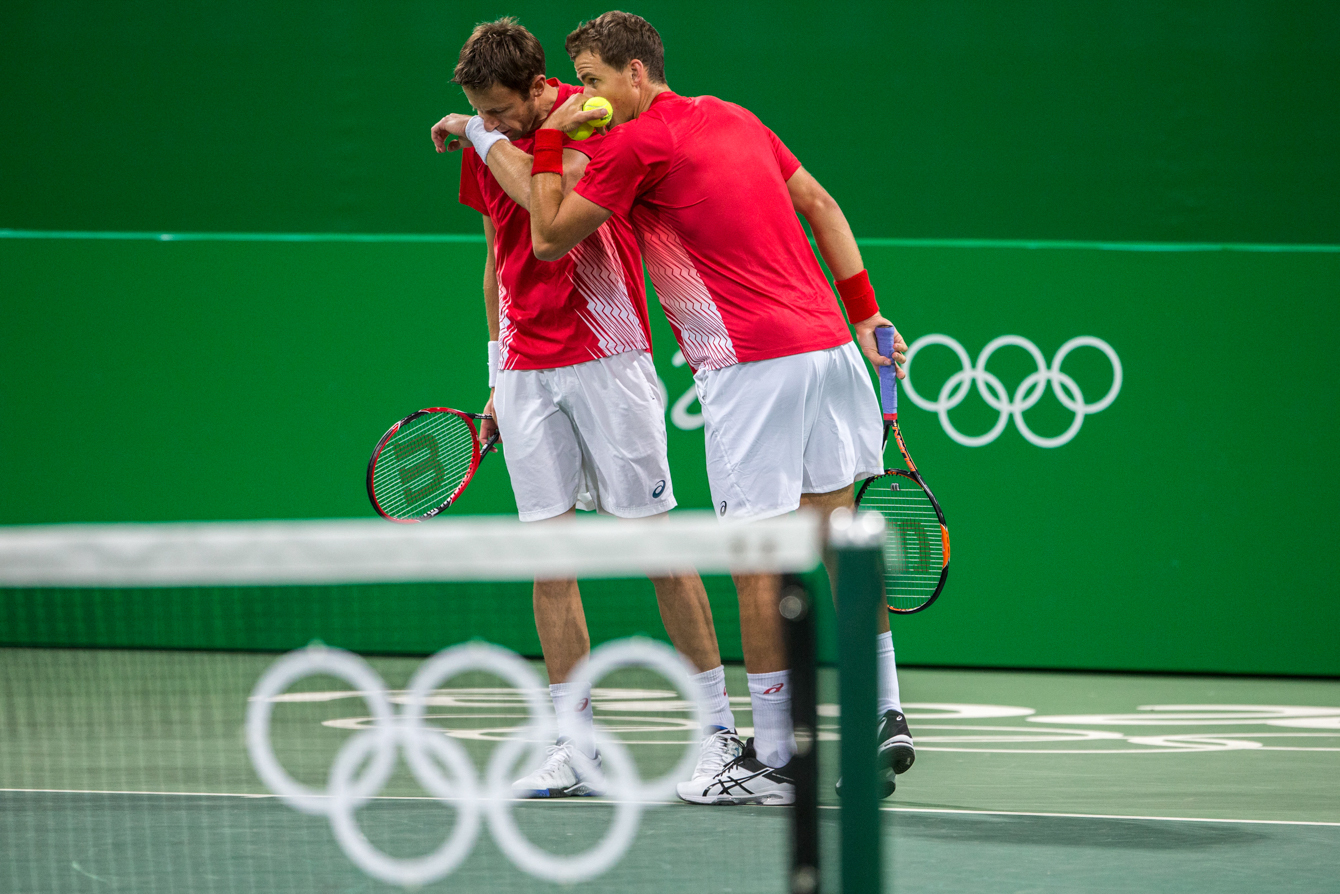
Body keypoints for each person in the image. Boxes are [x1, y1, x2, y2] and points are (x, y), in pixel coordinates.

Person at [455, 11, 915, 805]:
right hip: (830, 347)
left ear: (637, 74)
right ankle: (885, 711)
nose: (587, 95)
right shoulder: (735, 115)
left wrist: (533, 136)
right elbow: (822, 203)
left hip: (745, 364)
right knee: (839, 539)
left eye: (595, 79)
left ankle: (769, 757)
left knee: (752, 563)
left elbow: (552, 232)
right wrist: (869, 313)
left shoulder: (633, 142)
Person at [433, 17, 739, 799]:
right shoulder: (497, 140)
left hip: (609, 361)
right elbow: (497, 259)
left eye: (504, 110)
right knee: (549, 565)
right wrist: (496, 375)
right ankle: (575, 746)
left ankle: (718, 735)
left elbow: (547, 217)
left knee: (658, 553)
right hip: (528, 372)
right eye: (484, 113)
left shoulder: (592, 111)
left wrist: (477, 134)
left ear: (540, 89)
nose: (496, 123)